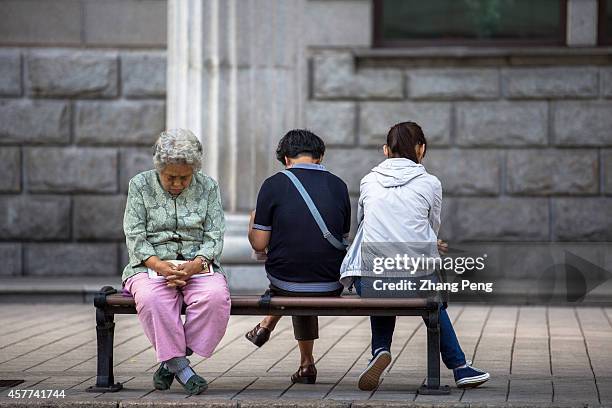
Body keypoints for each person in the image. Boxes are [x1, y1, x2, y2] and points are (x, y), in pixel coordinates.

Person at [340, 121, 490, 391]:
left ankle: (380, 350)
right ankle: (459, 367)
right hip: (416, 279)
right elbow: (432, 228)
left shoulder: (368, 181)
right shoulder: (430, 183)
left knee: (381, 276)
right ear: (421, 149)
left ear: (386, 150)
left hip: (371, 281)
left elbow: (363, 224)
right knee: (425, 289)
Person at [122, 129, 231, 395]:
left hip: (198, 266)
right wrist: (160, 265)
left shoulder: (208, 186)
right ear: (159, 168)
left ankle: (170, 361)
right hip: (149, 266)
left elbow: (214, 234)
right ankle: (183, 369)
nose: (178, 183)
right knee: (152, 300)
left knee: (216, 298)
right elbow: (134, 235)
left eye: (185, 177)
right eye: (171, 177)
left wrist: (196, 263)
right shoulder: (140, 185)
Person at [246, 129, 351, 384]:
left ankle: (268, 326)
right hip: (330, 282)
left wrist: (252, 221)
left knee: (293, 282)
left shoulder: (273, 184)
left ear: (286, 159)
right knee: (304, 277)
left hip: (285, 281)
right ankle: (306, 364)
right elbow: (343, 237)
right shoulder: (339, 185)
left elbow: (259, 244)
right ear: (320, 156)